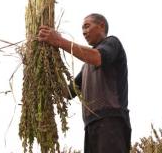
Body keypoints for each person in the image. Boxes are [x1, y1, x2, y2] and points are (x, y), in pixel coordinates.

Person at [37, 13, 130, 153]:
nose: (84, 32)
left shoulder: (112, 43)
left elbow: (97, 57)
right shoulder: (87, 66)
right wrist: (49, 68)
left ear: (101, 26)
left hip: (111, 122)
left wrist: (60, 41)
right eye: (82, 29)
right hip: (90, 126)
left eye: (87, 26)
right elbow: (67, 92)